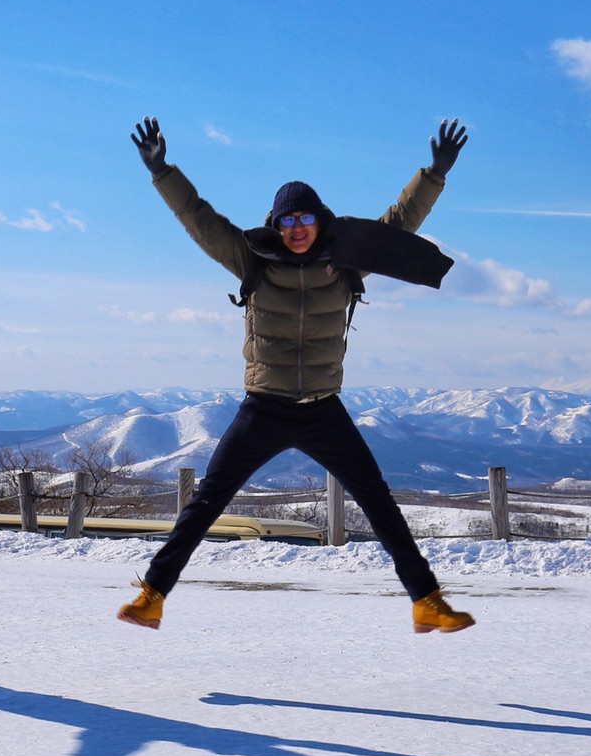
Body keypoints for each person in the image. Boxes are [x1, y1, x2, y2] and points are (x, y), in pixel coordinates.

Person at [118, 118, 476, 634]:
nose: (298, 228)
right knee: (207, 503)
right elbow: (199, 219)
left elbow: (400, 222)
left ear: (319, 218)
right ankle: (152, 596)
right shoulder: (251, 258)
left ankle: (427, 602)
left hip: (322, 409)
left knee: (378, 502)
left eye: (305, 217)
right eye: (288, 220)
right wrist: (162, 171)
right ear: (277, 224)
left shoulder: (347, 256)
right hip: (263, 406)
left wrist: (435, 173)